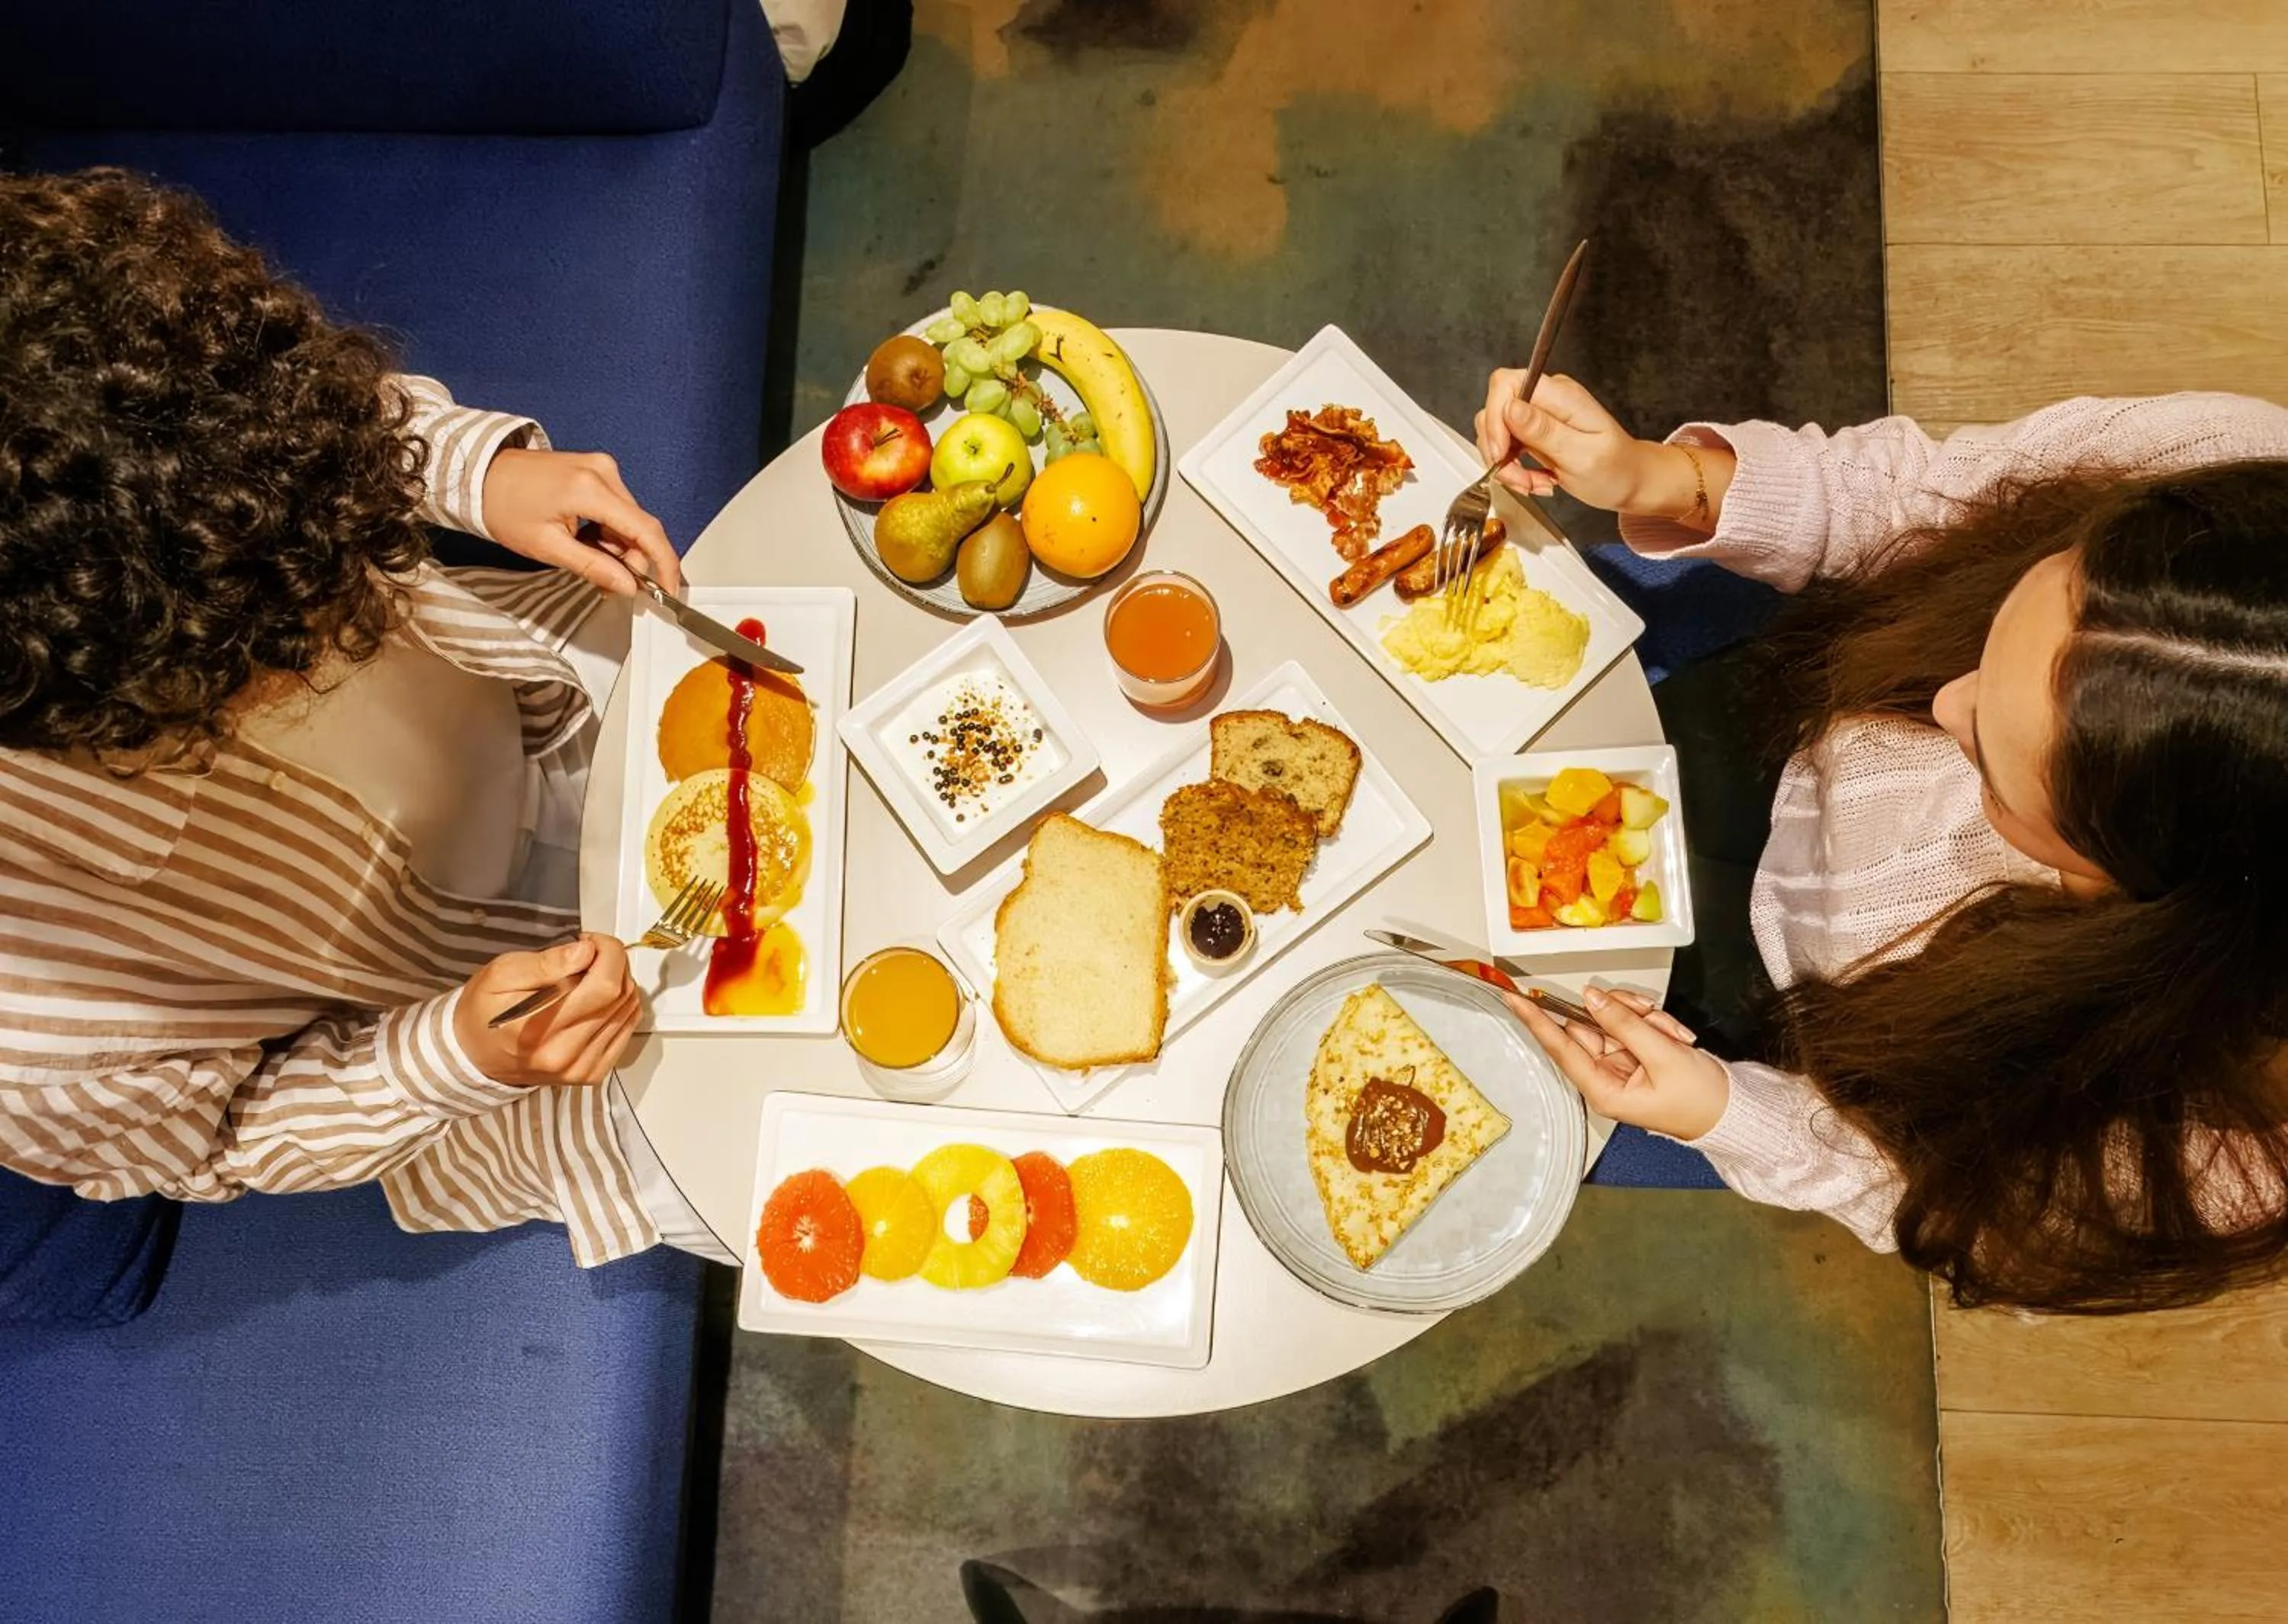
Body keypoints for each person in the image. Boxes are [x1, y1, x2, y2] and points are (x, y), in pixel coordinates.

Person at [0, 168, 728, 1265]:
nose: (336, 620)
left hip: (529, 668)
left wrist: (464, 472)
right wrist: (452, 1059)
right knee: (767, 1150)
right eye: (280, 643)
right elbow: (217, 1144)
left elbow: (276, 409)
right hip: (463, 1010)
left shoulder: (99, 380)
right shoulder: (27, 1036)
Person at [1474, 368, 2288, 1314]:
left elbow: (1963, 1218)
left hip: (1801, 1060)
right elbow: (1918, 496)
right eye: (1996, 634)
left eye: (1994, 762)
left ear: (2167, 910)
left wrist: (1729, 1116)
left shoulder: (2226, 1154)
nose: (1943, 704)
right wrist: (1667, 480)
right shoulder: (2224, 474)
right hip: (1784, 694)